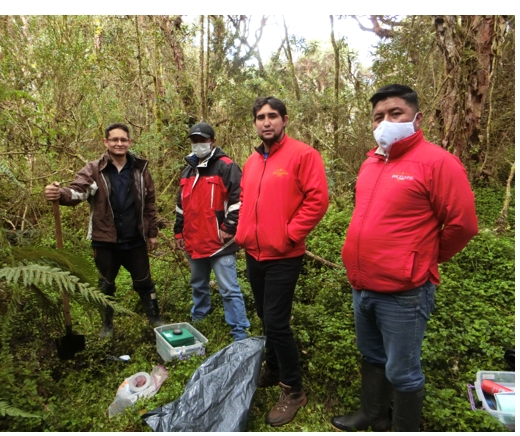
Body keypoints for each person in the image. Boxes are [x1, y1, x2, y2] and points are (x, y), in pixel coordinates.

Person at [331, 84, 477, 432]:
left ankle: (404, 427)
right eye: (378, 116)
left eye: (395, 113)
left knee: (403, 370)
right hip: (362, 286)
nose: (385, 121)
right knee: (372, 356)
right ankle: (372, 415)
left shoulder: (437, 162)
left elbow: (464, 224)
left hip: (404, 292)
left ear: (416, 116)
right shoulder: (371, 162)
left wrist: (422, 258)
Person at [235, 96, 328, 427]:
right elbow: (246, 199)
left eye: (272, 116)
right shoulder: (251, 161)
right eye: (260, 117)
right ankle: (273, 367)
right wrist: (243, 231)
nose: (266, 122)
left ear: (285, 119)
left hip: (284, 255)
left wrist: (290, 234)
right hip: (254, 253)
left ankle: (293, 389)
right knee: (263, 314)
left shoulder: (303, 155)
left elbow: (317, 199)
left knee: (276, 321)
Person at [44, 123, 164, 340]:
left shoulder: (140, 169)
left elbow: (150, 203)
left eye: (123, 140)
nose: (119, 143)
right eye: (114, 139)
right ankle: (107, 326)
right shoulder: (94, 169)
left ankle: (155, 320)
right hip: (105, 240)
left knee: (144, 282)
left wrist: (152, 232)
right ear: (106, 142)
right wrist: (59, 194)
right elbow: (77, 192)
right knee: (105, 286)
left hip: (135, 239)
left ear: (129, 142)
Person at [173, 121, 251, 342]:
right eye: (195, 141)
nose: (198, 144)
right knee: (198, 283)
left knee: (228, 288)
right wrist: (179, 233)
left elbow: (239, 199)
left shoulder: (226, 167)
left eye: (203, 140)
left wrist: (228, 227)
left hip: (220, 243)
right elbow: (181, 206)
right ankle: (200, 316)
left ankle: (239, 330)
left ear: (212, 141)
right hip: (194, 240)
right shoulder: (187, 171)